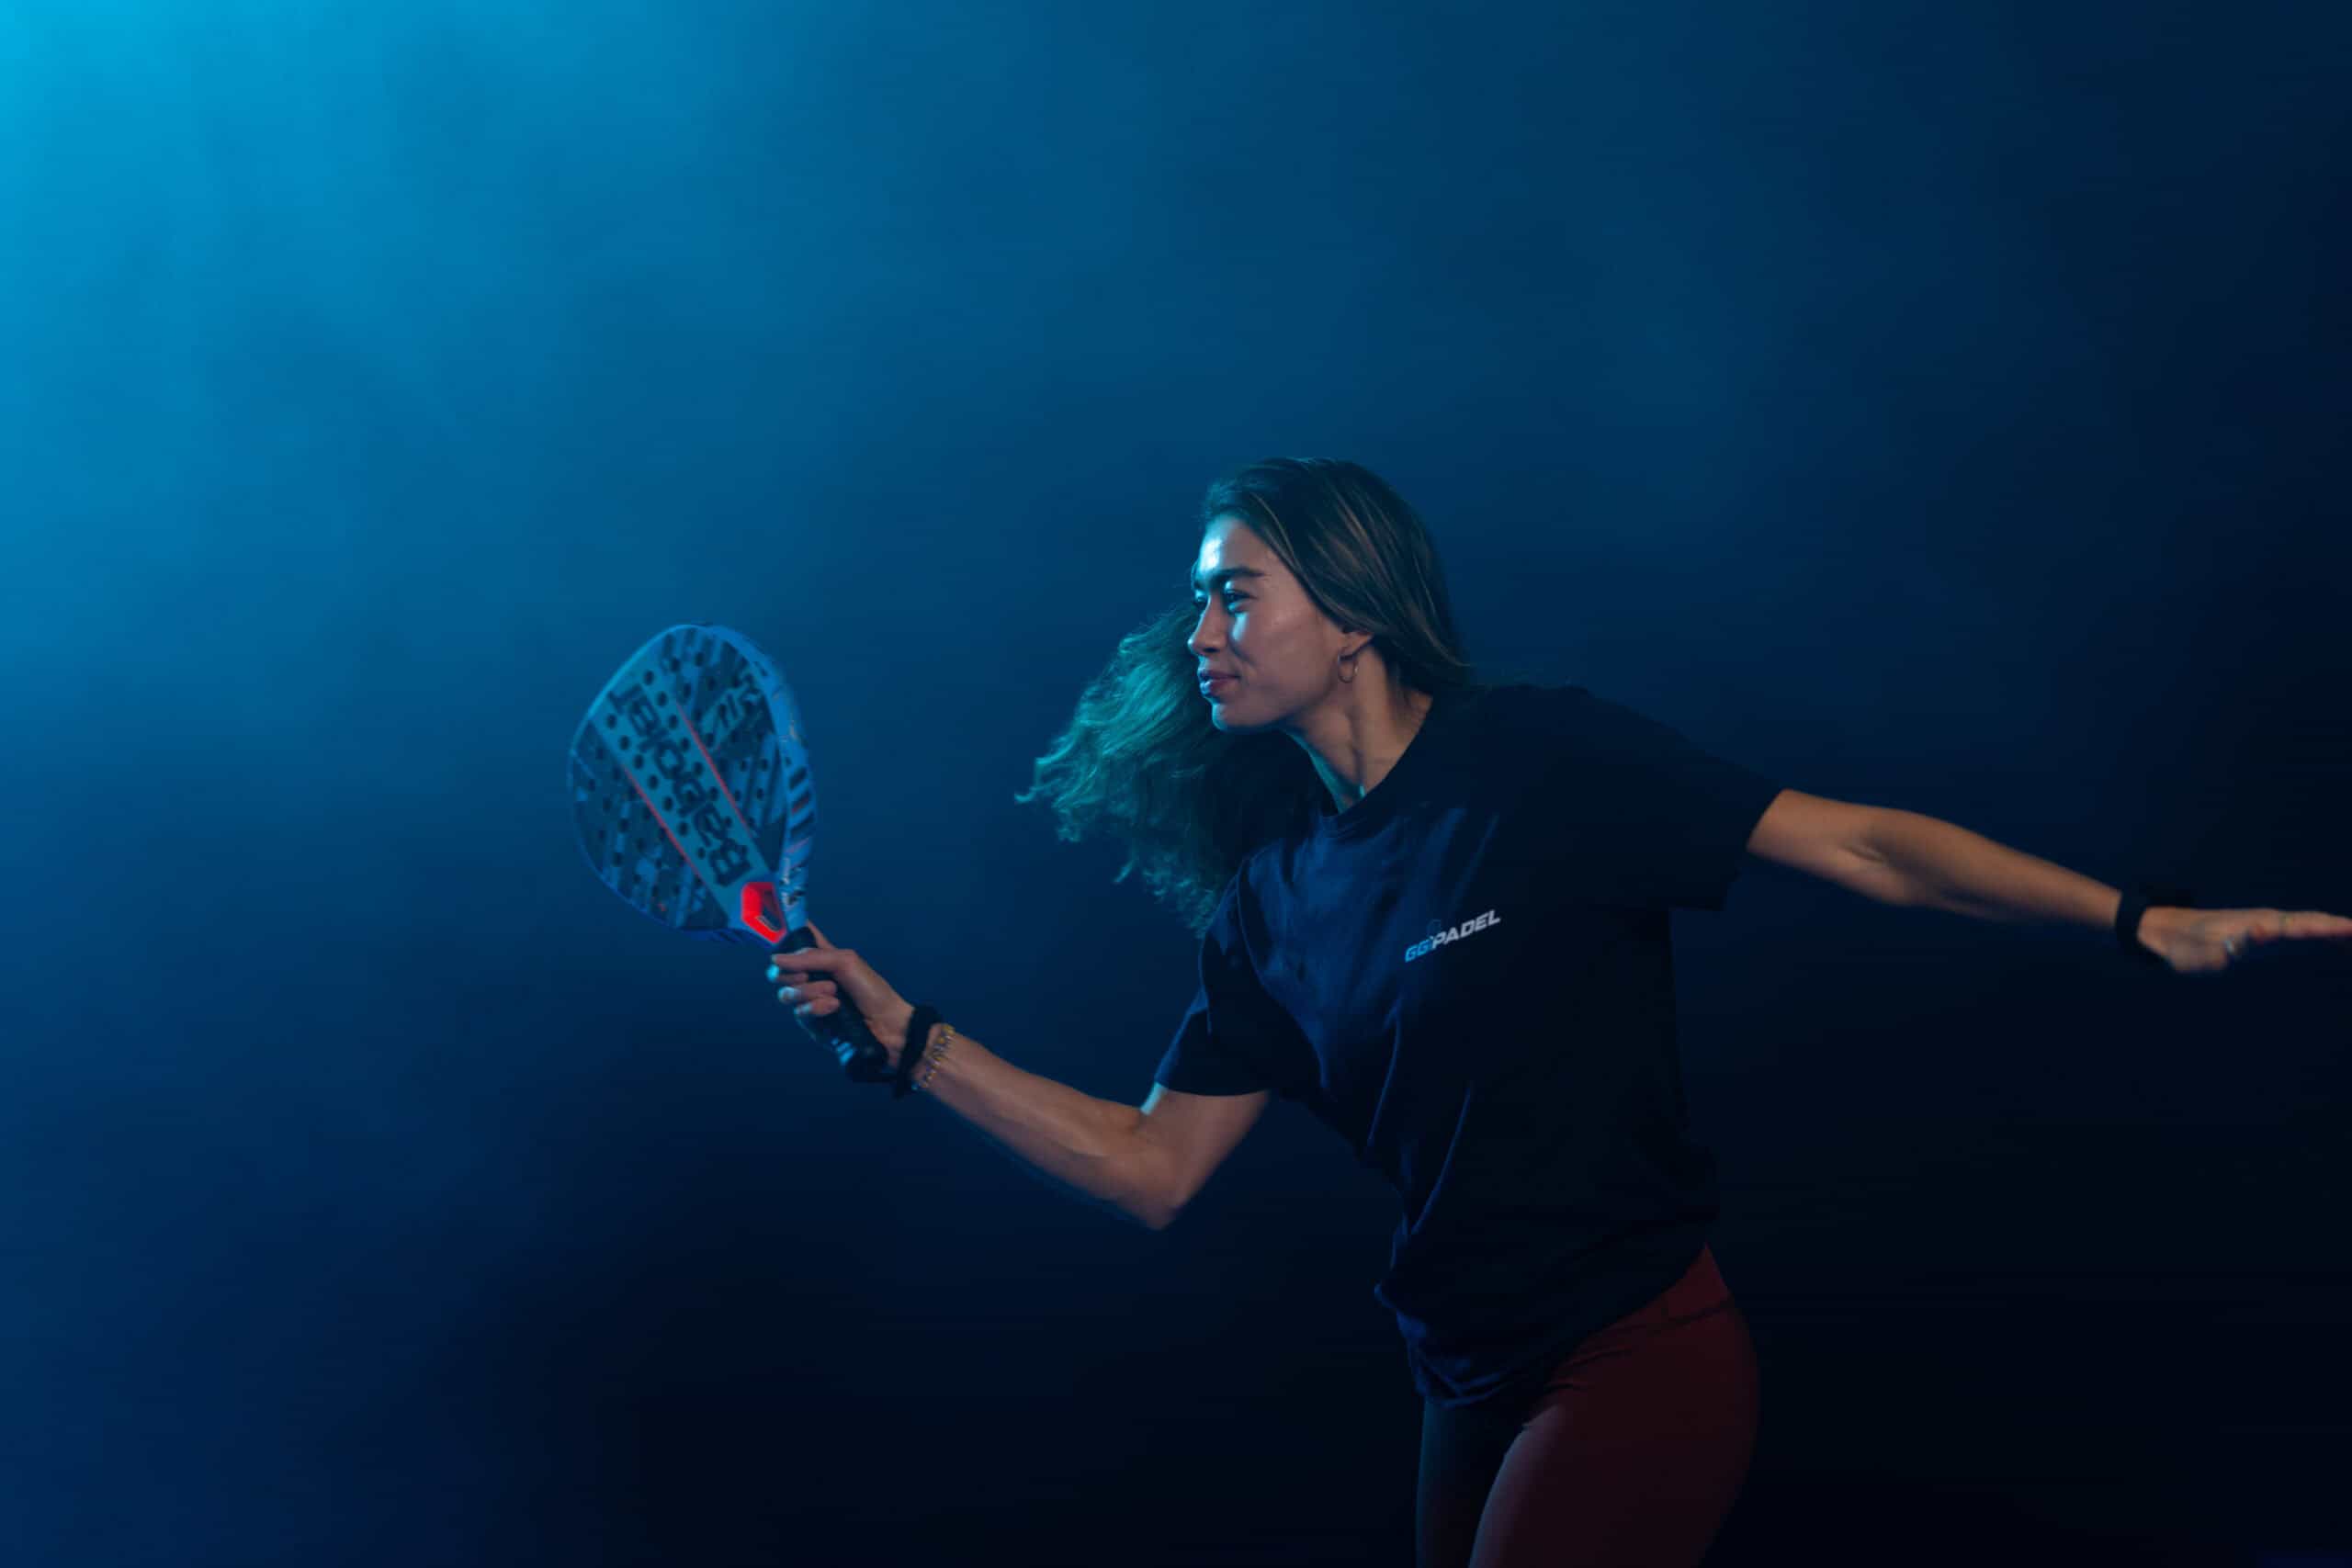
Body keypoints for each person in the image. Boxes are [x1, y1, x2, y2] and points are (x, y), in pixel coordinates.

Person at [761, 457, 2346, 1567]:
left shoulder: (1541, 767)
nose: (1200, 637)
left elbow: (1854, 840)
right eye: (1199, 606)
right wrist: (913, 1040)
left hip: (1636, 1352)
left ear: (1355, 610)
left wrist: (2135, 919)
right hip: (1466, 1385)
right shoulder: (1274, 894)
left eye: (1234, 597)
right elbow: (1150, 1169)